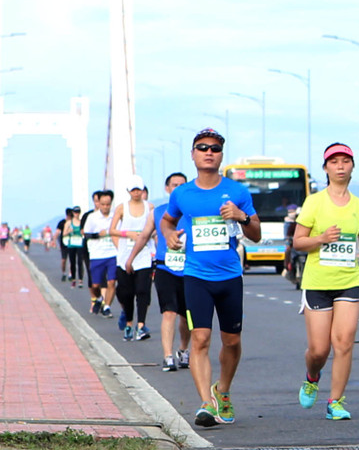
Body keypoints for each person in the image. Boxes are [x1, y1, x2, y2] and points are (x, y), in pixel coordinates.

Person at [161, 128, 260, 426]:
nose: (208, 152)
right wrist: (169, 237)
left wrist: (241, 217)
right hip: (195, 276)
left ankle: (223, 391)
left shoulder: (238, 192)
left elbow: (255, 235)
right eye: (202, 147)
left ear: (221, 155)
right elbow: (167, 221)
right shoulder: (182, 194)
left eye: (214, 148)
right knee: (200, 339)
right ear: (193, 155)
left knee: (231, 341)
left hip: (229, 276)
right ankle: (206, 403)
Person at [293, 143, 359, 421]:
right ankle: (312, 375)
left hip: (350, 280)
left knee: (344, 342)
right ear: (326, 168)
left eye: (345, 161)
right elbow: (298, 241)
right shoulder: (314, 202)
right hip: (317, 282)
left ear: (352, 167)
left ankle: (335, 401)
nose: (340, 166)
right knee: (319, 349)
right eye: (334, 162)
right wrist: (321, 239)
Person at [126, 171, 191, 371]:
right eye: (174, 184)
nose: (177, 188)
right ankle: (168, 356)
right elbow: (144, 236)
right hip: (165, 267)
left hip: (190, 269)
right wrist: (130, 259)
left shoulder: (192, 212)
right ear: (167, 188)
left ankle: (183, 349)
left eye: (182, 184)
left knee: (187, 315)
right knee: (169, 311)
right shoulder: (158, 212)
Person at [111, 175, 155, 341]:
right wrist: (128, 233)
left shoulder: (149, 207)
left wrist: (148, 235)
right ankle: (129, 323)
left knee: (143, 290)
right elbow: (112, 230)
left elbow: (156, 227)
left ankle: (141, 325)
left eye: (139, 189)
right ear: (128, 191)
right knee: (126, 293)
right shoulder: (122, 208)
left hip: (144, 254)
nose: (136, 193)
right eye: (133, 189)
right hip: (124, 255)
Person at [83, 190, 118, 318]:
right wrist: (98, 235)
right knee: (95, 285)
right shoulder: (92, 217)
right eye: (103, 204)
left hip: (112, 253)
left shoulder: (115, 217)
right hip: (97, 254)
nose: (105, 207)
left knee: (112, 282)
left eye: (108, 204)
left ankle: (107, 306)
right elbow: (86, 234)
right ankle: (98, 298)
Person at [62, 207, 85, 287]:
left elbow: (84, 232)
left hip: (80, 244)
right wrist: (69, 231)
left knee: (80, 262)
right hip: (72, 244)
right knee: (72, 262)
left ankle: (81, 280)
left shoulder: (82, 222)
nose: (76, 213)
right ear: (73, 213)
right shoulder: (69, 223)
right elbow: (64, 233)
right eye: (75, 212)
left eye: (78, 212)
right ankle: (74, 279)